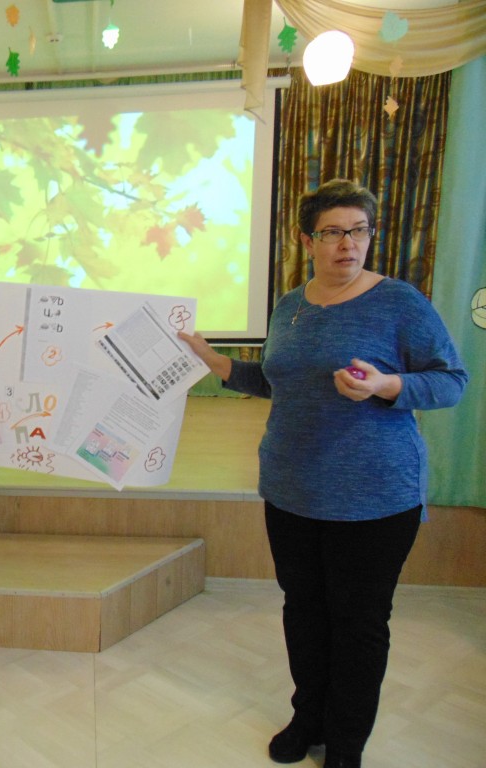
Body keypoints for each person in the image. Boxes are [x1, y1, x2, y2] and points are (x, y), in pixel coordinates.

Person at [178, 179, 467, 768]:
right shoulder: (291, 305)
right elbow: (278, 381)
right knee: (303, 610)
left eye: (358, 231)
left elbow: (451, 381)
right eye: (333, 232)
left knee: (359, 624)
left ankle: (346, 742)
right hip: (291, 490)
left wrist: (387, 385)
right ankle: (307, 716)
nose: (348, 244)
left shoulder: (399, 302)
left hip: (375, 497)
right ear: (307, 240)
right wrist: (216, 363)